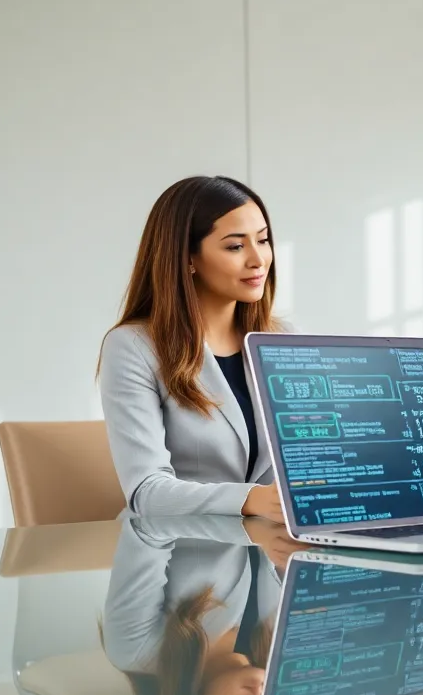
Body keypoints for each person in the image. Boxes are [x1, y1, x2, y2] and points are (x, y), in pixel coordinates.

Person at [99, 176, 286, 520]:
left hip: (272, 554)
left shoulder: (283, 340)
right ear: (188, 258)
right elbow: (146, 491)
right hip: (178, 557)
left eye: (263, 240)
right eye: (235, 246)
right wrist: (251, 500)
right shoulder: (133, 347)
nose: (259, 259)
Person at [103, 516, 308, 695]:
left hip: (190, 482)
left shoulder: (135, 649)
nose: (258, 694)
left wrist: (249, 525)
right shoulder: (271, 641)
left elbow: (146, 522)